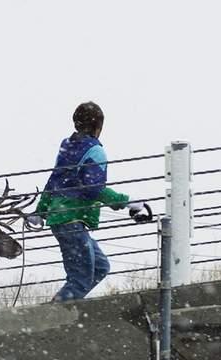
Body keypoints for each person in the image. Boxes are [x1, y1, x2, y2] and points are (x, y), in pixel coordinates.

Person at [29, 102, 145, 302]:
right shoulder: (95, 151)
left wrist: (41, 211)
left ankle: (66, 306)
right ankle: (55, 315)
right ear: (99, 127)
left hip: (62, 219)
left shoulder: (67, 146)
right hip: (72, 220)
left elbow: (54, 180)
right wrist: (126, 202)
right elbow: (93, 189)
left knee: (100, 267)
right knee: (81, 278)